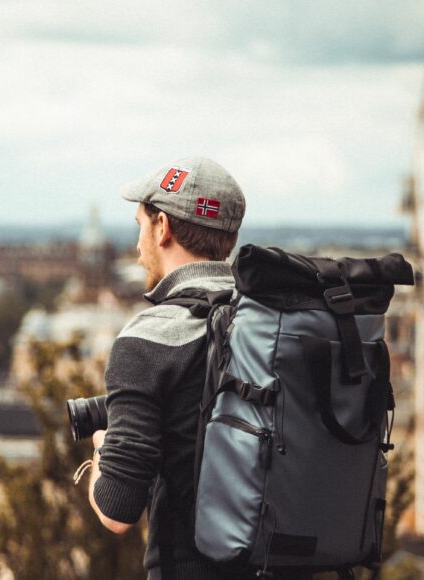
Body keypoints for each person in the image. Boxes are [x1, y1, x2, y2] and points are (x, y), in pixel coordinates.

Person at [86, 156, 245, 579]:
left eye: (140, 224)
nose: (138, 249)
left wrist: (102, 446)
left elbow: (117, 510)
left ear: (162, 228)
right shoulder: (268, 323)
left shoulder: (151, 337)